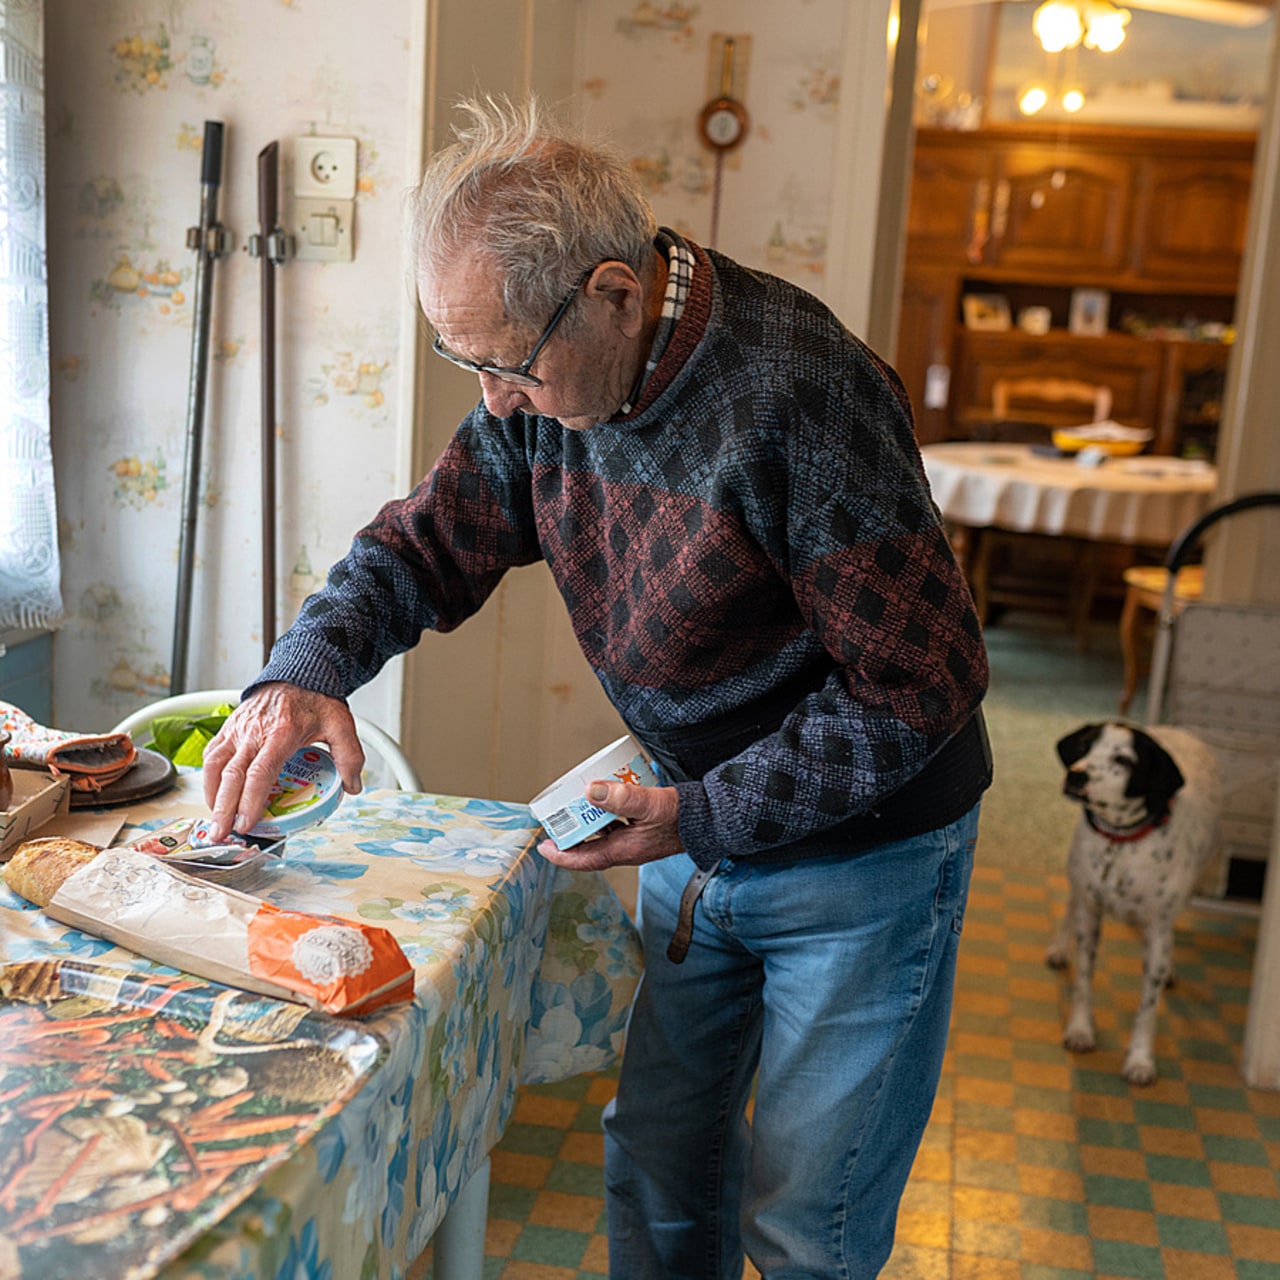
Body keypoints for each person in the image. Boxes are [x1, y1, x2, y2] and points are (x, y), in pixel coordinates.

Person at [203, 95, 992, 1280]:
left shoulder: (803, 392)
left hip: (866, 853)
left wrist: (699, 814)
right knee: (660, 1164)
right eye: (457, 358)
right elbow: (421, 543)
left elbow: (916, 685)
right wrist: (304, 667)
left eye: (503, 364)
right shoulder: (536, 384)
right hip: (689, 817)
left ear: (615, 295)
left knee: (803, 1223)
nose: (489, 399)